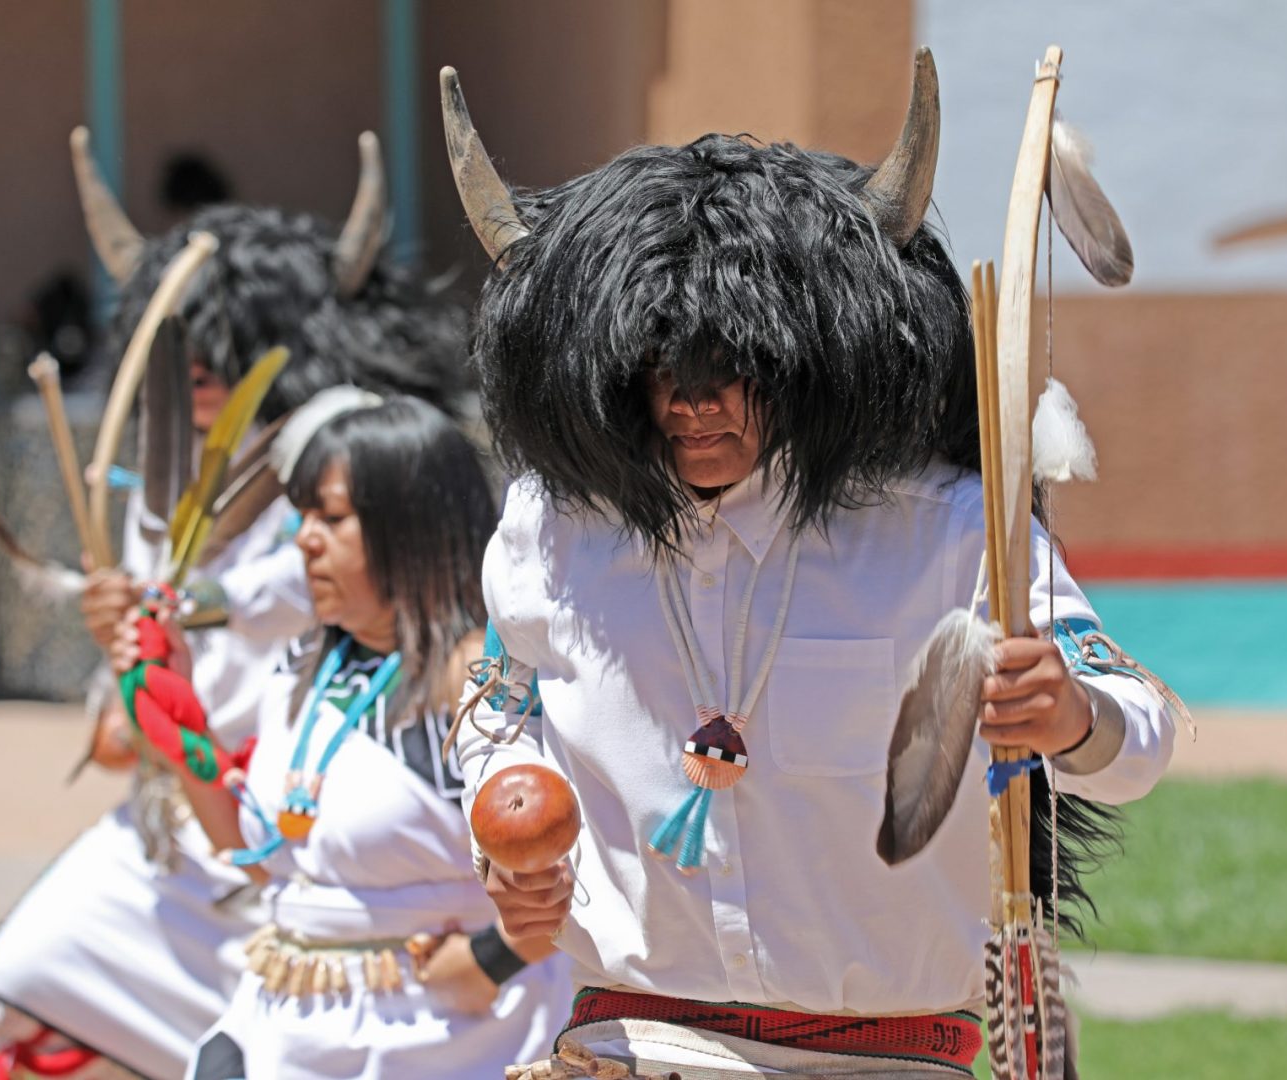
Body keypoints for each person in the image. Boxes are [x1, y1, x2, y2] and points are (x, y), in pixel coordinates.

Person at [444, 58, 1178, 1078]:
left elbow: (1139, 731)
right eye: (662, 371)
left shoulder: (952, 532)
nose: (695, 405)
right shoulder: (550, 530)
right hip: (627, 1044)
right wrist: (510, 811)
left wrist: (1069, 716)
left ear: (806, 355)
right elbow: (497, 707)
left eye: (731, 368)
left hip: (889, 1056)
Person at [0, 132, 473, 1080]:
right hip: (199, 823)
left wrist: (184, 607)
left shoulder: (340, 454)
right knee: (40, 993)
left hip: (329, 834)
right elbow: (122, 728)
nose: (202, 371)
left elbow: (281, 592)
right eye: (185, 346)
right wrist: (131, 665)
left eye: (230, 349)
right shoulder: (166, 491)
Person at [121, 391, 569, 1079]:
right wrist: (175, 709)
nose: (304, 538)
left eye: (331, 518)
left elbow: (571, 854)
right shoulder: (310, 662)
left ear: (409, 527)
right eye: (303, 515)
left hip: (452, 1038)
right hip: (286, 1024)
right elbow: (256, 849)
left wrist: (491, 959)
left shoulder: (480, 676)